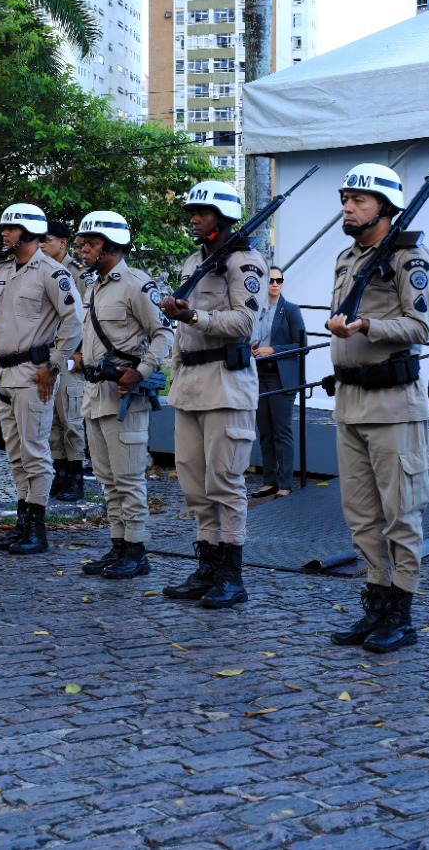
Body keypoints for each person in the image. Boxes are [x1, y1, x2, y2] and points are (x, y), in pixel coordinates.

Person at [322, 165, 429, 652]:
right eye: (346, 198)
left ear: (386, 208)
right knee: (362, 515)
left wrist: (368, 326)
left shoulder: (410, 257)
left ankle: (402, 612)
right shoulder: (347, 257)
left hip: (393, 405)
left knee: (401, 513)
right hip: (349, 401)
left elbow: (419, 327)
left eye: (359, 200)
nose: (348, 207)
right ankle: (375, 603)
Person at [158, 180, 268, 609]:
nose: (194, 218)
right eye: (193, 211)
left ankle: (231, 573)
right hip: (190, 386)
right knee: (194, 484)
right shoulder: (194, 261)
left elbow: (247, 324)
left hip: (226, 383)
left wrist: (197, 315)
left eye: (201, 212)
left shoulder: (245, 263)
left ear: (222, 218)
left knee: (225, 483)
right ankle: (206, 564)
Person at [0, 203, 82, 554]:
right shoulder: (0, 272)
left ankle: (37, 530)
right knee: (15, 454)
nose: (4, 234)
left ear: (27, 233)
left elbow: (73, 322)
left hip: (34, 372)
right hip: (4, 372)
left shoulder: (53, 273)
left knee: (35, 452)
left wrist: (54, 366)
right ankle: (21, 523)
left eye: (9, 229)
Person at [71, 211, 173, 580]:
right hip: (95, 393)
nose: (84, 249)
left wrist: (142, 371)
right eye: (84, 242)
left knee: (129, 479)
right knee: (107, 480)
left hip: (124, 395)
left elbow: (163, 333)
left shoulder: (136, 284)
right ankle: (118, 546)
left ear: (112, 247)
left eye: (92, 243)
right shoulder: (92, 286)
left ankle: (136, 550)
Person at [43, 219, 89, 502]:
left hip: (73, 356)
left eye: (46, 240)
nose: (42, 245)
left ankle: (76, 476)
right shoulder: (42, 271)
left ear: (62, 243)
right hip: (47, 355)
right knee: (52, 421)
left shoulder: (79, 273)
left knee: (71, 418)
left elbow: (90, 317)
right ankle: (59, 473)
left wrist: (83, 353)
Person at [252, 264, 306, 498]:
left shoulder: (291, 310)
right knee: (264, 429)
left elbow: (302, 345)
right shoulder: (256, 310)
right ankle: (269, 480)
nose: (275, 284)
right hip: (257, 375)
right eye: (271, 280)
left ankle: (285, 483)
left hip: (281, 376)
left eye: (279, 280)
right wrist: (252, 347)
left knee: (281, 431)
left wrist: (273, 349)